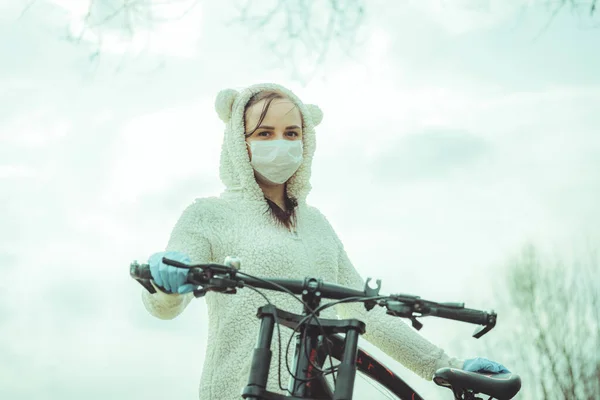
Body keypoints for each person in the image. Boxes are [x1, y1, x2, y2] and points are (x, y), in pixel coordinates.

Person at [140, 83, 509, 400]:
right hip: (239, 390)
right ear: (239, 142)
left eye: (292, 133)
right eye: (264, 134)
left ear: (307, 139)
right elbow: (165, 303)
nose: (280, 143)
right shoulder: (207, 215)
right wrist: (165, 281)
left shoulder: (317, 226)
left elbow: (365, 310)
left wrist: (446, 366)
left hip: (317, 388)